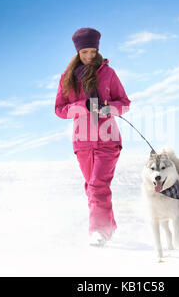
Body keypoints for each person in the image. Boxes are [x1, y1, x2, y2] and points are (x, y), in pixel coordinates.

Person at [55, 27, 131, 247]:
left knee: (98, 185)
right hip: (82, 142)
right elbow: (60, 110)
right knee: (92, 187)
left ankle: (98, 231)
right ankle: (108, 227)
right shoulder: (67, 78)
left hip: (108, 140)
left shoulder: (108, 74)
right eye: (84, 52)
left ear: (98, 50)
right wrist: (84, 106)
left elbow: (124, 103)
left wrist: (111, 109)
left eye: (92, 51)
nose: (89, 56)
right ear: (77, 52)